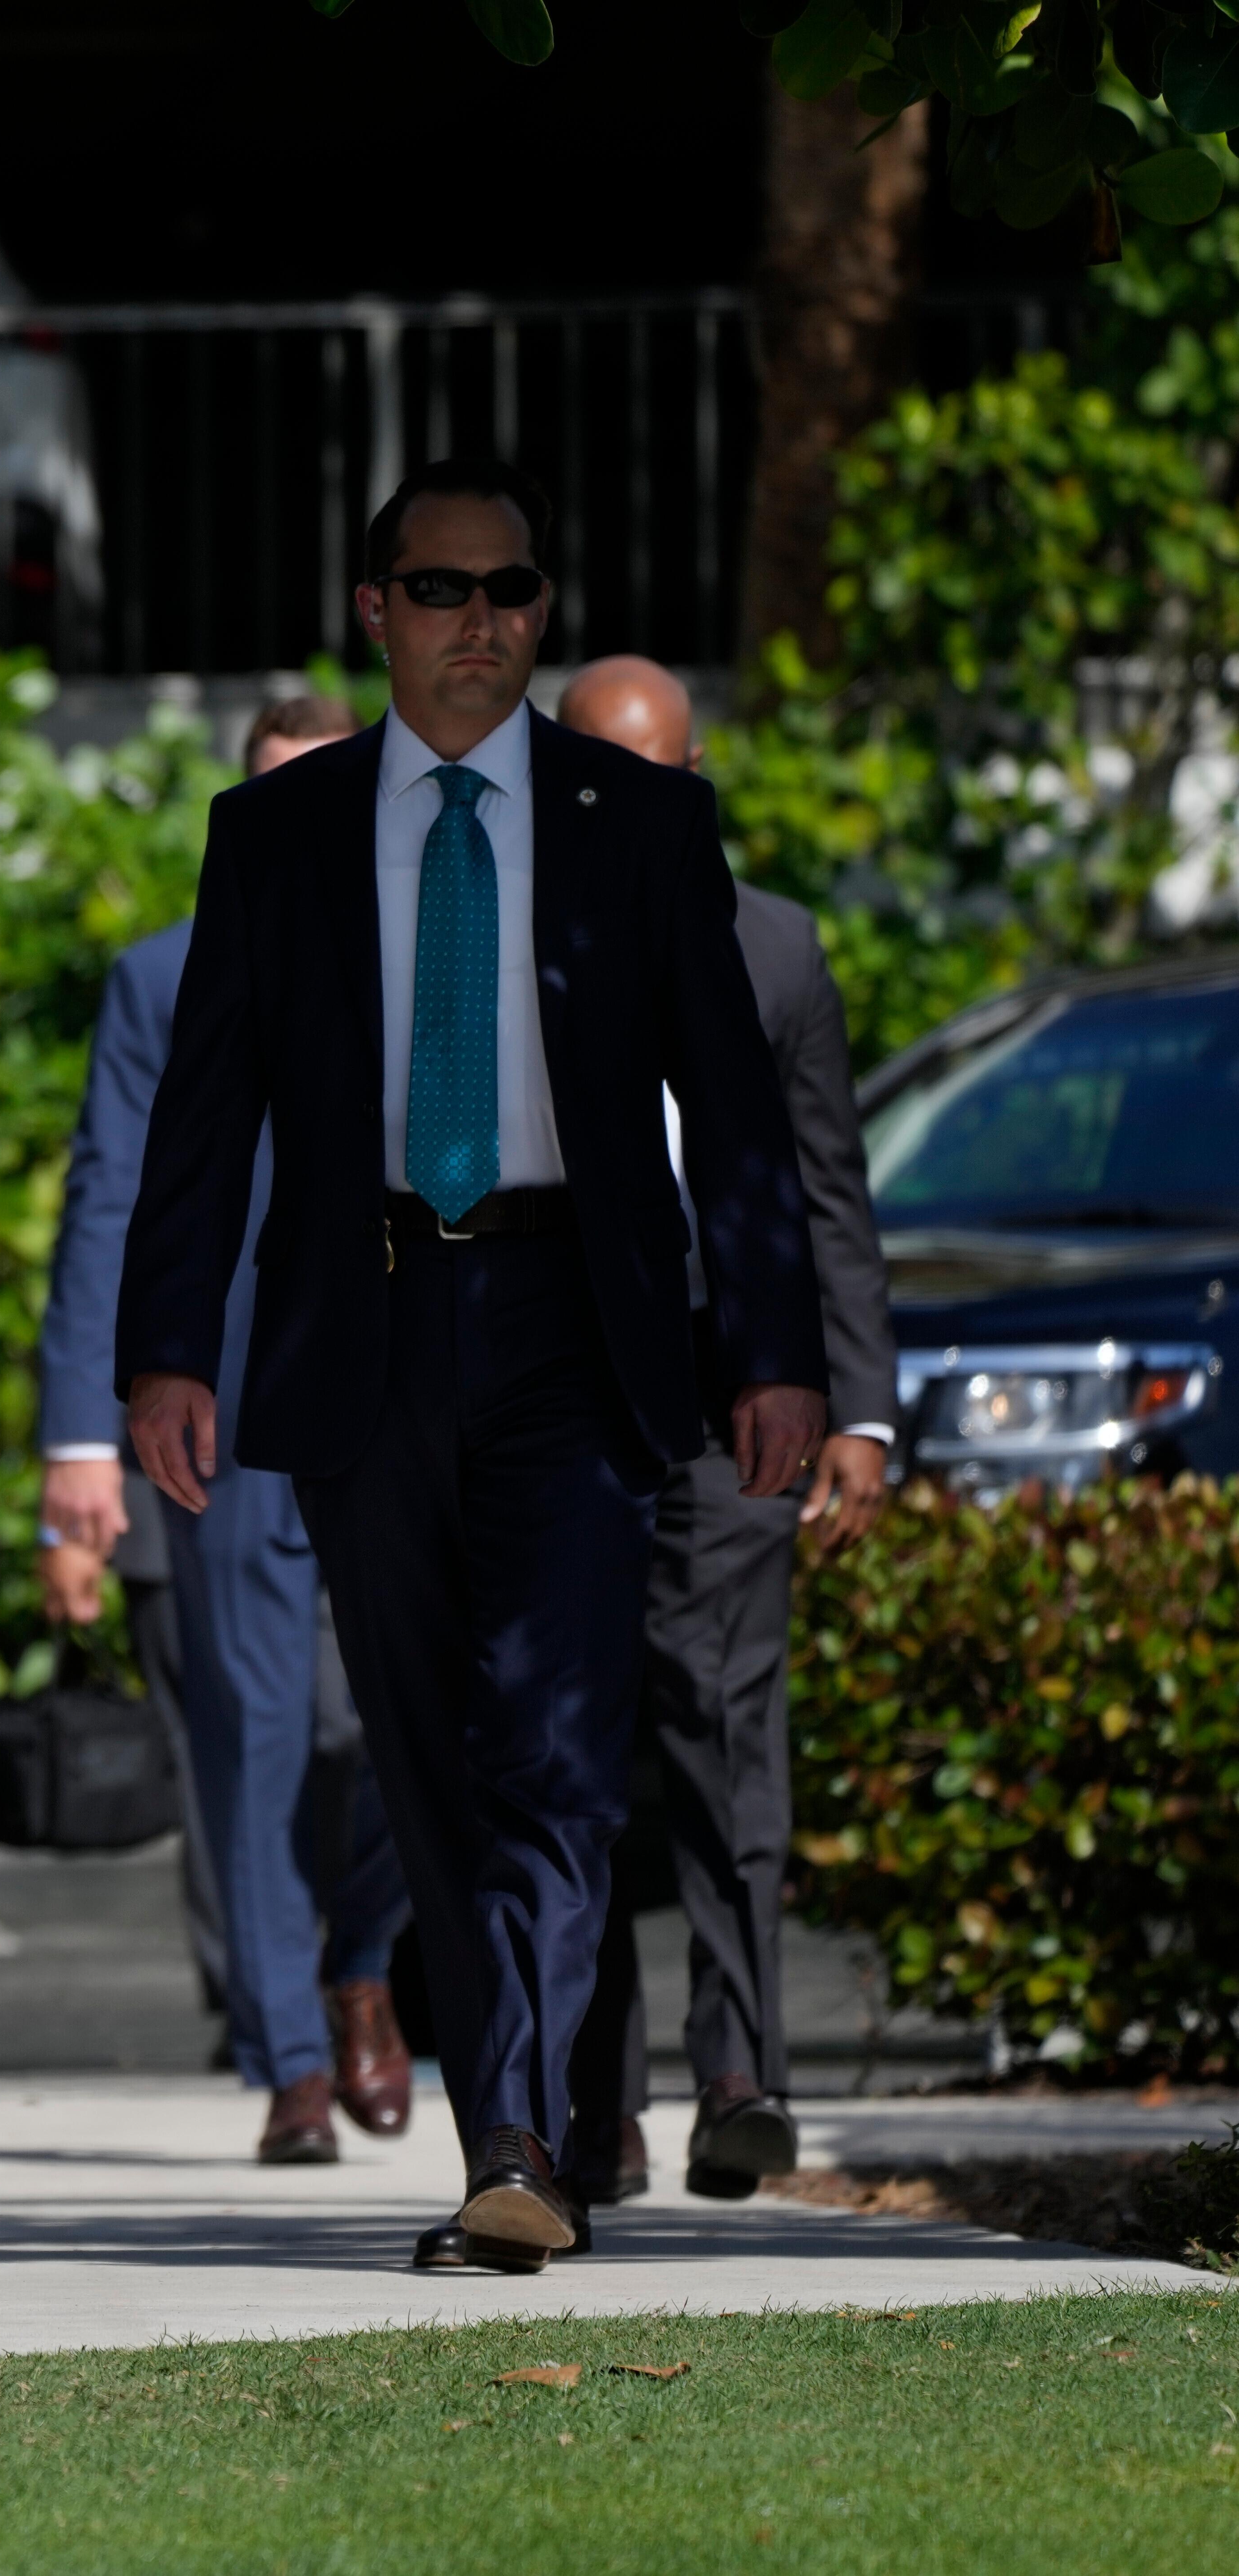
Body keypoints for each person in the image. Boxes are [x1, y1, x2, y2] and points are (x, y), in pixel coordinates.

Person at [115, 457, 827, 2277]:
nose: (480, 625)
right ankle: (519, 2118)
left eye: (511, 593)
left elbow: (736, 1123)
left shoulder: (637, 826)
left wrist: (774, 1353)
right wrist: (167, 1354)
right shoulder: (278, 833)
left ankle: (517, 2141)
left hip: (574, 1329)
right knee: (432, 1753)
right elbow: (204, 1119)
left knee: (565, 1740)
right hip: (365, 1326)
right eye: (441, 592)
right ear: (377, 614)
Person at [40, 695, 413, 2166]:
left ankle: (364, 1960)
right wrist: (85, 1431)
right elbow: (111, 1203)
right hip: (231, 1418)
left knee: (393, 1721)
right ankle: (292, 2060)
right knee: (252, 1740)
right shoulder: (164, 977)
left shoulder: (445, 956)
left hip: (405, 1400)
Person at [551, 655, 895, 2207]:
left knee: (726, 1722)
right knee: (571, 1749)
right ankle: (592, 2104)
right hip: (552, 1393)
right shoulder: (506, 948)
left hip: (725, 1408)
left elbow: (832, 1194)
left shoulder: (776, 951)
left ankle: (742, 2073)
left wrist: (859, 1408)